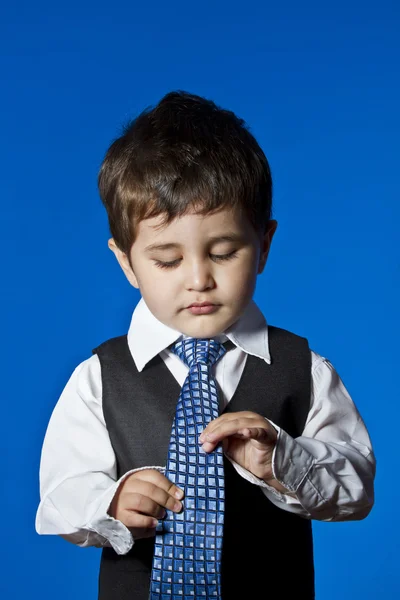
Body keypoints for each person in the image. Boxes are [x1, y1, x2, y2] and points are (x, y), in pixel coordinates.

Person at [35, 91, 376, 599]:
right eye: (167, 261)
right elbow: (58, 498)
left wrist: (283, 459)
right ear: (127, 263)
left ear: (263, 245)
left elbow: (355, 491)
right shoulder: (99, 377)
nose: (199, 279)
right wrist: (111, 501)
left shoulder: (303, 369)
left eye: (223, 252)